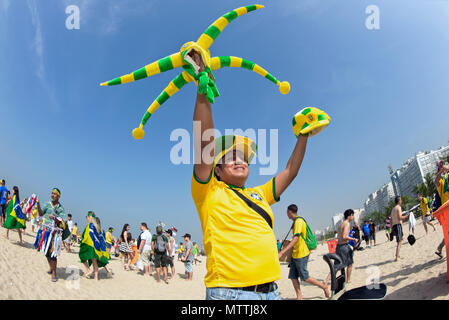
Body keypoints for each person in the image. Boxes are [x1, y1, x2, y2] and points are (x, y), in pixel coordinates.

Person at [190, 51, 319, 300]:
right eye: (230, 157)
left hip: (271, 291)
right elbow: (204, 144)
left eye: (244, 158)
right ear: (217, 169)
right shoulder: (207, 192)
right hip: (230, 294)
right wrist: (202, 87)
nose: (240, 160)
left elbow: (290, 171)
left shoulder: (258, 193)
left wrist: (303, 135)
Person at [278, 204, 330, 300]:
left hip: (301, 253)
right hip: (295, 254)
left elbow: (295, 239)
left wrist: (281, 252)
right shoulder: (295, 222)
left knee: (305, 277)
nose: (286, 214)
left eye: (287, 212)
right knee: (293, 276)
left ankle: (324, 286)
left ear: (289, 211)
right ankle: (299, 296)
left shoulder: (299, 221)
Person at [36, 188, 67, 282]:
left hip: (54, 234)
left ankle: (54, 273)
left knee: (53, 253)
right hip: (45, 231)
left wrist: (55, 218)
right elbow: (41, 213)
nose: (52, 195)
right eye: (52, 193)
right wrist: (38, 204)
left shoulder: (61, 208)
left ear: (58, 196)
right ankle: (51, 268)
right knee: (46, 252)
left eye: (54, 194)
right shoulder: (47, 204)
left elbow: (63, 221)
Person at [434, 161, 449, 258]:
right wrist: (440, 171)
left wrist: (444, 167)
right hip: (446, 208)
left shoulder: (447, 176)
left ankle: (440, 248)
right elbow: (436, 181)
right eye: (440, 167)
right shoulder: (441, 182)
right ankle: (440, 247)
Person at [391, 196, 410, 262]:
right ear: (399, 201)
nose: (401, 201)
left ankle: (397, 255)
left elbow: (391, 220)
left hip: (394, 226)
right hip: (398, 225)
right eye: (401, 200)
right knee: (399, 242)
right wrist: (406, 216)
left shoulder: (393, 209)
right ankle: (396, 257)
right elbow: (400, 217)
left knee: (401, 239)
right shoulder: (398, 208)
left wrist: (391, 228)